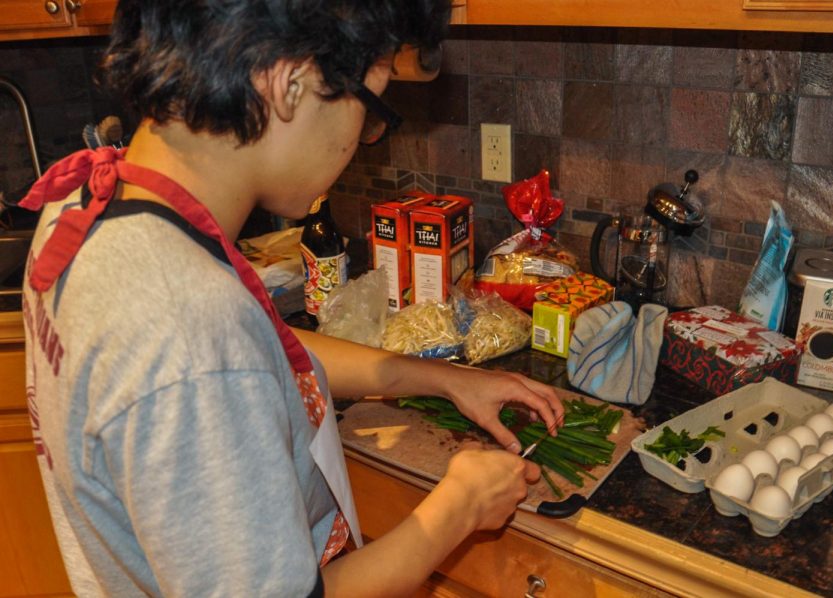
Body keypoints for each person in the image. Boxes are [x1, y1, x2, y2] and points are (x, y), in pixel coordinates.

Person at [20, 1, 565, 596]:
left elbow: (256, 352)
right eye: (374, 104)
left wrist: (441, 379)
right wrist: (458, 507)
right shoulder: (191, 326)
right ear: (289, 83)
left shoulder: (87, 202)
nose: (364, 136)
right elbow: (218, 362)